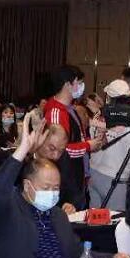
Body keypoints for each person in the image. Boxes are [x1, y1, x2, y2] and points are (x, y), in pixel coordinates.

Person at [0, 121, 85, 258]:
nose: (51, 193)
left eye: (56, 188)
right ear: (27, 186)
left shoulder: (58, 216)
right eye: (46, 188)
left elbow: (78, 253)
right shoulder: (11, 211)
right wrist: (24, 148)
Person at [42, 66, 101, 202]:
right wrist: (87, 146)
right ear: (67, 85)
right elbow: (59, 151)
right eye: (79, 82)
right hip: (64, 180)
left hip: (76, 176)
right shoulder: (56, 112)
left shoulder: (70, 109)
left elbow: (77, 137)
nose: (82, 86)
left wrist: (92, 142)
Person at [88, 79, 130, 211]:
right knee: (114, 219)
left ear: (108, 97)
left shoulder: (98, 116)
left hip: (94, 172)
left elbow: (92, 141)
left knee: (95, 218)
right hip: (115, 177)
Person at [34, 124, 85, 213]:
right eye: (52, 148)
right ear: (40, 139)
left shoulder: (63, 159)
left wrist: (70, 204)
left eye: (61, 151)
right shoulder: (23, 159)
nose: (56, 156)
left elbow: (75, 193)